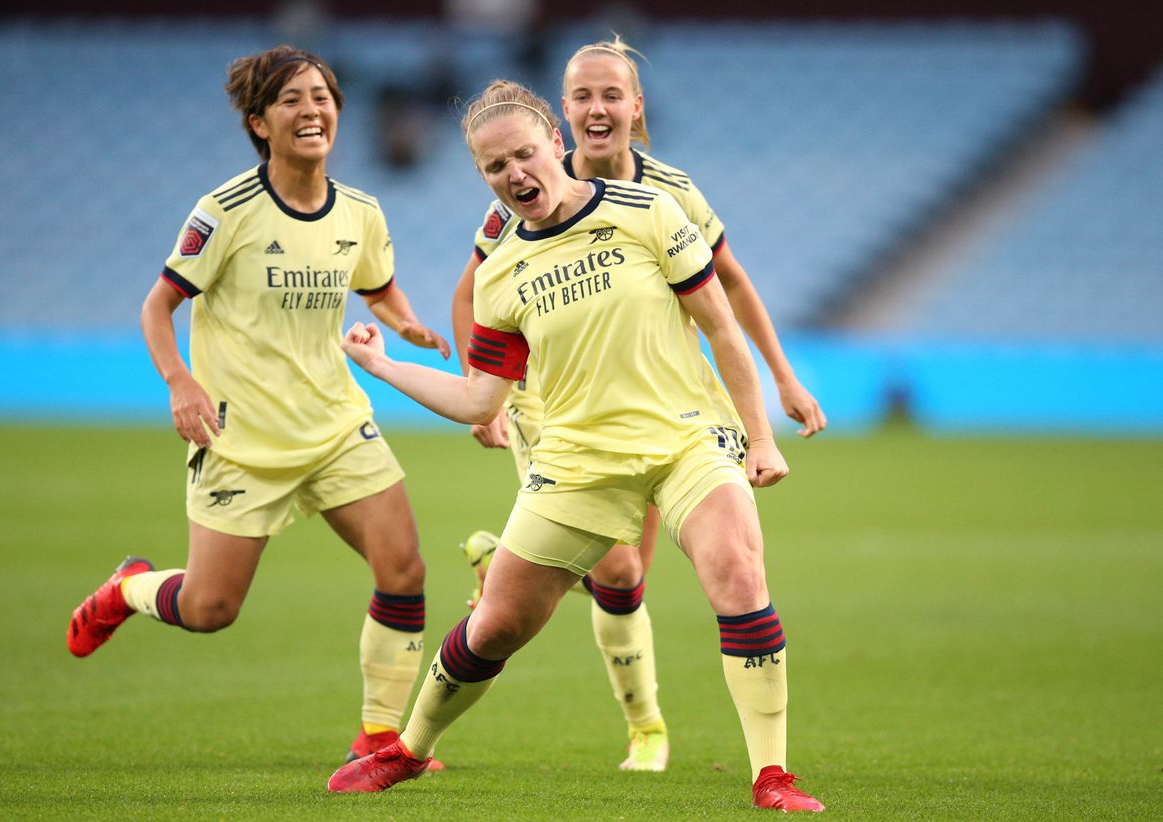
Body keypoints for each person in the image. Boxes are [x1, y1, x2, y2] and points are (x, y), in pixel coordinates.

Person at [327, 80, 824, 812]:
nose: (514, 175)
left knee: (738, 575)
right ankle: (409, 749)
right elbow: (477, 399)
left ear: (556, 143)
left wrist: (759, 438)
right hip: (577, 462)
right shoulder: (499, 276)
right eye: (495, 168)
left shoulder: (650, 211)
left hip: (687, 440)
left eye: (524, 154)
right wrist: (380, 366)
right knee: (497, 625)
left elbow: (721, 326)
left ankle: (771, 777)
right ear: (484, 178)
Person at [65, 45, 451, 769]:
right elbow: (157, 308)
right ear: (259, 123)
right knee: (211, 610)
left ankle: (377, 736)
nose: (312, 111)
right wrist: (180, 383)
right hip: (242, 438)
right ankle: (131, 587)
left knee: (404, 569)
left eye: (322, 96)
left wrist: (404, 325)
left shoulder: (361, 210)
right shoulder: (225, 211)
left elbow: (378, 284)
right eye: (292, 101)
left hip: (336, 425)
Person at [449, 36, 827, 773]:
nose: (598, 107)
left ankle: (510, 572)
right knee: (617, 572)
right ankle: (647, 727)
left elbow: (731, 289)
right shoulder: (522, 191)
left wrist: (784, 378)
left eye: (611, 94)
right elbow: (473, 292)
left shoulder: (670, 194)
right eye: (583, 95)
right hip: (559, 417)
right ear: (563, 113)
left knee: (637, 572)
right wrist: (485, 400)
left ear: (635, 106)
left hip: (664, 410)